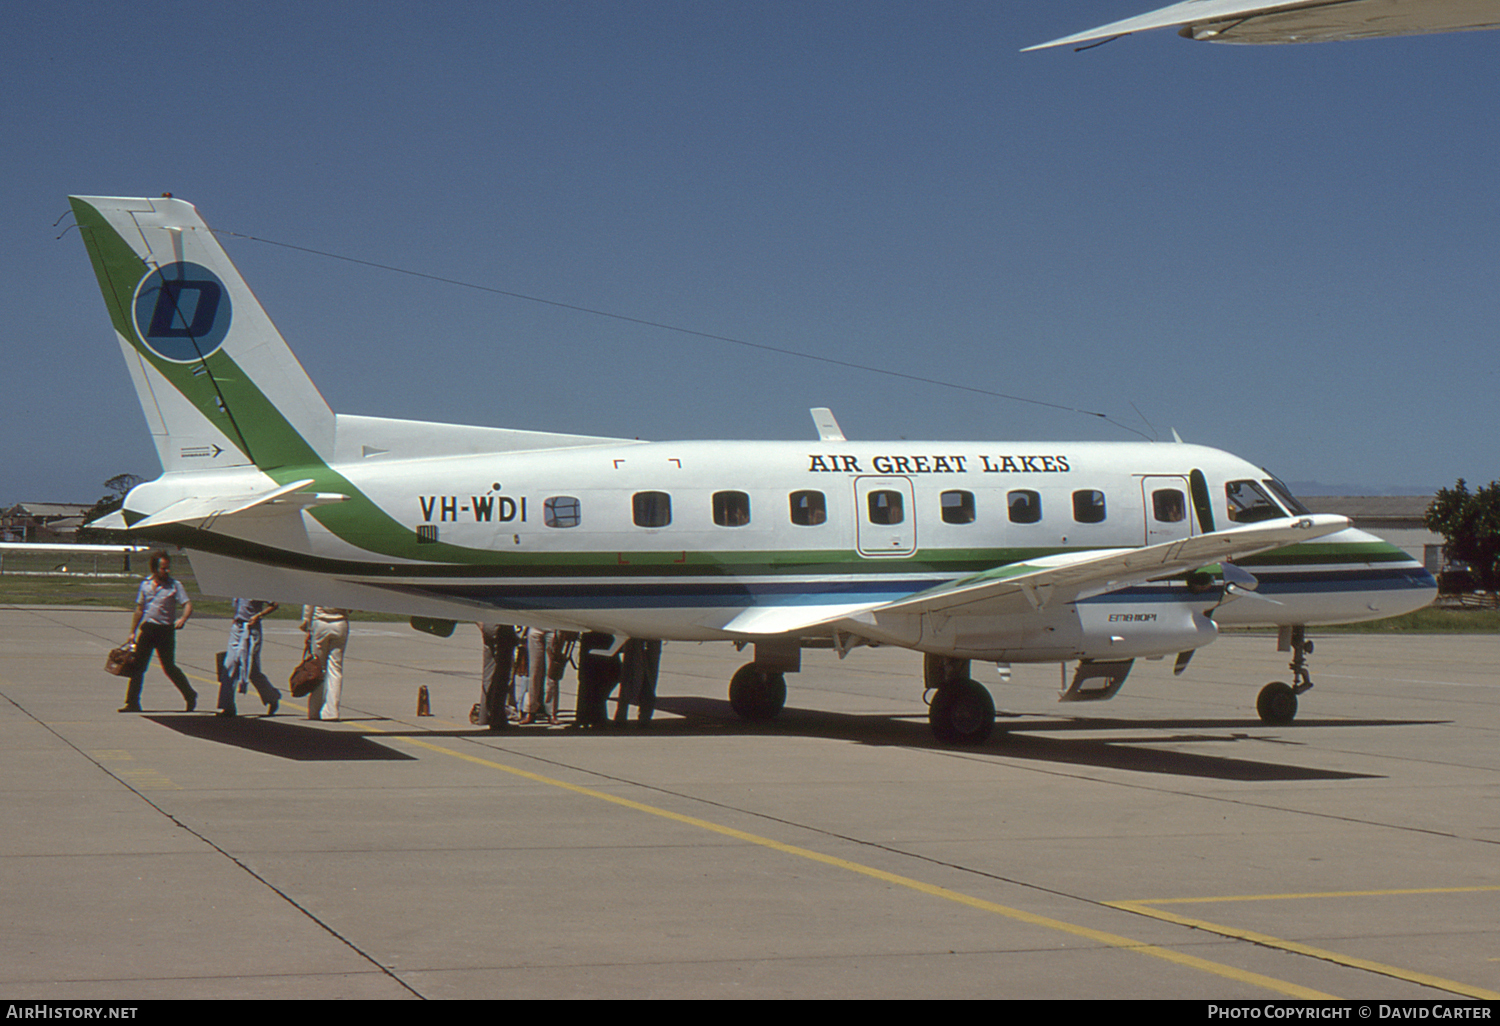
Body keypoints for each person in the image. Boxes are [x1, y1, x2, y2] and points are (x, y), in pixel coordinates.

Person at [121, 551, 196, 713]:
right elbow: (139, 609)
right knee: (138, 667)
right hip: (148, 629)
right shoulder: (145, 585)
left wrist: (183, 618)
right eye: (163, 568)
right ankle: (132, 702)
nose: (167, 571)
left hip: (165, 631)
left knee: (169, 667)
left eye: (168, 568)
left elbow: (187, 604)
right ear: (154, 569)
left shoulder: (175, 585)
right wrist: (132, 632)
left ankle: (190, 695)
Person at [216, 599, 280, 717]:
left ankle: (272, 697)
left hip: (251, 628)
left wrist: (258, 615)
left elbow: (274, 604)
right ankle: (227, 706)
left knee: (252, 670)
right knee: (229, 666)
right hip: (237, 627)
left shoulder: (256, 587)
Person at [299, 606, 350, 720]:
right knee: (335, 669)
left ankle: (314, 710)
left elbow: (309, 605)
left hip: (320, 622)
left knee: (317, 668)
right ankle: (332, 711)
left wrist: (306, 622)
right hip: (339, 622)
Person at [519, 628, 566, 725]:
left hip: (553, 629)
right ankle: (530, 711)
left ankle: (552, 713)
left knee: (552, 674)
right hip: (535, 627)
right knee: (533, 672)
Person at [474, 623, 517, 730]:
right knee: (502, 674)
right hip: (502, 627)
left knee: (489, 673)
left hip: (489, 626)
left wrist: (482, 624)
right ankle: (497, 717)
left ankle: (484, 715)